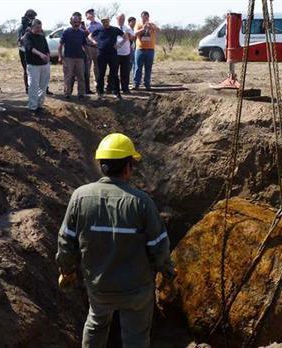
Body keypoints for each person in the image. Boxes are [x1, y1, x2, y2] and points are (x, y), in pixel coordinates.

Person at [56, 133, 174, 348]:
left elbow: (66, 242)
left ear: (101, 165)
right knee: (136, 335)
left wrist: (67, 271)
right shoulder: (142, 202)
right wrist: (167, 273)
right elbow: (159, 247)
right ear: (128, 167)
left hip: (99, 287)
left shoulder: (80, 197)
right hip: (136, 290)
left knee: (96, 323)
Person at [89, 17, 126, 100]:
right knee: (101, 73)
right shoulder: (99, 29)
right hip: (101, 54)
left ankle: (117, 92)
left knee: (115, 74)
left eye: (106, 21)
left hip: (112, 54)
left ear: (109, 21)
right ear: (102, 22)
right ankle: (100, 92)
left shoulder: (115, 29)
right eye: (103, 21)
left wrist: (119, 44)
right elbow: (89, 36)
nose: (105, 23)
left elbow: (125, 37)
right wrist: (94, 42)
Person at [23, 19, 51, 113]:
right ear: (32, 27)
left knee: (43, 86)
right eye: (37, 27)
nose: (39, 29)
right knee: (33, 86)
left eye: (40, 27)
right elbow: (30, 48)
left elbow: (46, 48)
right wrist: (40, 54)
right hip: (33, 65)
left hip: (44, 65)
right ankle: (32, 107)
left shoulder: (42, 37)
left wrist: (47, 56)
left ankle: (39, 105)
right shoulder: (27, 36)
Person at [59, 15, 87, 100]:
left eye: (78, 22)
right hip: (68, 58)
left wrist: (87, 55)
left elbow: (84, 45)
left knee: (81, 76)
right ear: (71, 22)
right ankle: (67, 93)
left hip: (80, 58)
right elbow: (60, 45)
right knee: (68, 76)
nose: (76, 24)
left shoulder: (82, 32)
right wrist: (60, 56)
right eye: (74, 22)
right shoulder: (66, 32)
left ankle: (81, 94)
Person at [134, 11, 159, 91]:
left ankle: (147, 84)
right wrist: (143, 29)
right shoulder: (138, 24)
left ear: (148, 17)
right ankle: (136, 84)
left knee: (148, 67)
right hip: (140, 49)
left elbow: (158, 30)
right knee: (138, 67)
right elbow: (135, 33)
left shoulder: (152, 24)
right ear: (141, 17)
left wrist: (151, 27)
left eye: (146, 17)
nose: (145, 18)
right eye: (143, 17)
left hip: (150, 50)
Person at [115, 14, 135, 95]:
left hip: (126, 53)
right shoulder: (113, 28)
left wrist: (129, 35)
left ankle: (125, 89)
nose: (122, 20)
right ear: (117, 18)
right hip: (116, 53)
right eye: (120, 18)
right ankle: (115, 89)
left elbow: (133, 38)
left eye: (123, 19)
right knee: (114, 72)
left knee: (125, 72)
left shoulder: (128, 28)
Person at [84, 9, 102, 95]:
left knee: (97, 67)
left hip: (97, 48)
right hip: (88, 47)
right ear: (86, 16)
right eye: (89, 14)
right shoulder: (85, 25)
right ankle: (86, 88)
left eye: (92, 13)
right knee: (87, 68)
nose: (91, 15)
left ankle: (97, 86)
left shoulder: (99, 24)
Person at [127, 17, 137, 82]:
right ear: (129, 23)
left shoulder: (135, 30)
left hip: (135, 49)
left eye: (135, 22)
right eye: (132, 22)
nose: (134, 23)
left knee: (135, 65)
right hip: (129, 50)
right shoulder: (127, 30)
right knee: (128, 66)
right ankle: (126, 80)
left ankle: (134, 80)